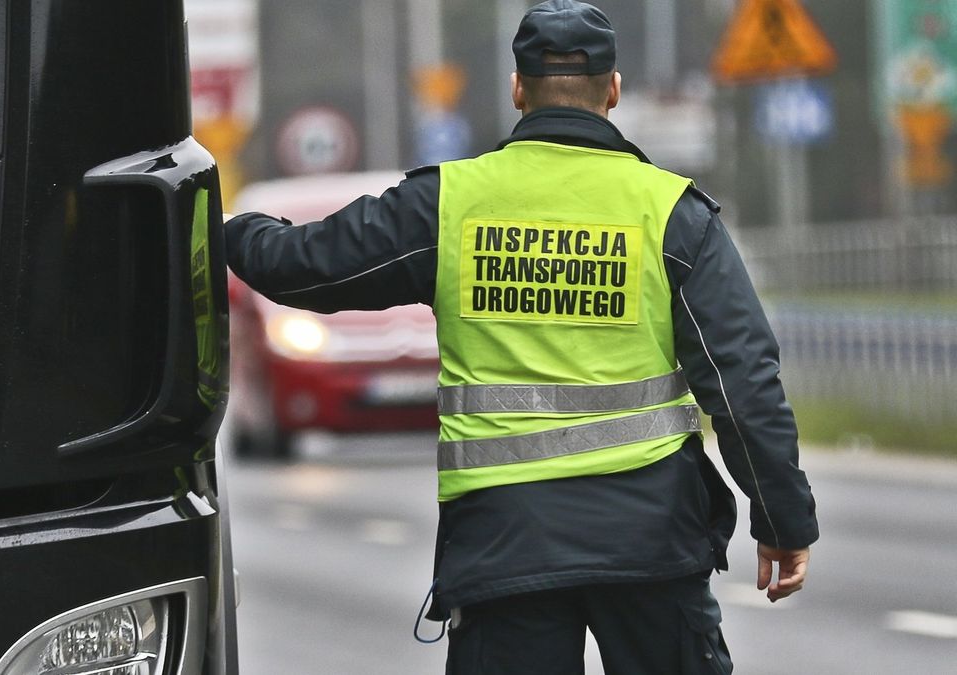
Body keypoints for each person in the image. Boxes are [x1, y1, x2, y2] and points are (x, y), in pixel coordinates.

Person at [224, 0, 818, 672]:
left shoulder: (449, 205)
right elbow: (743, 383)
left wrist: (223, 223)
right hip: (651, 542)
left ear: (517, 88)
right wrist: (782, 519)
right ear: (613, 89)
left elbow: (302, 267)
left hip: (506, 547)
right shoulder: (672, 215)